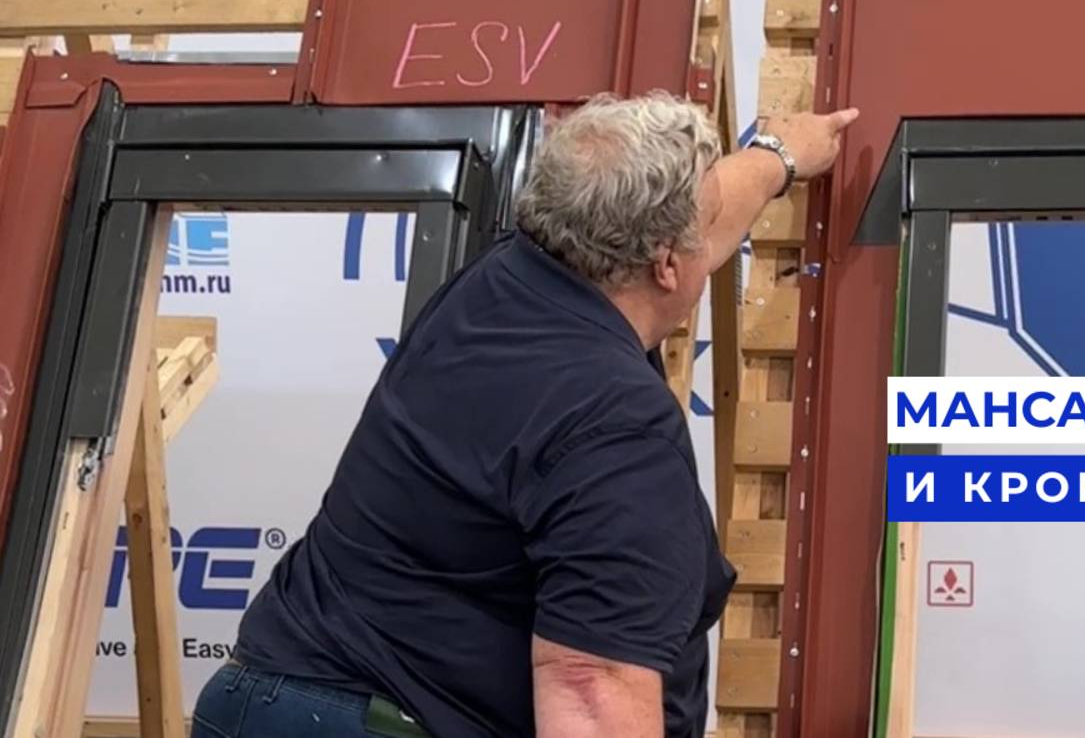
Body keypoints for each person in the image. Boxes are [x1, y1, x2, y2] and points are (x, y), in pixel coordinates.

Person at [189, 93, 858, 738]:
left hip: (265, 696)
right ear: (665, 264)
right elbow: (591, 687)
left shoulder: (505, 278)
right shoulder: (616, 423)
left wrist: (777, 157)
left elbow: (696, 223)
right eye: (699, 227)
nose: (709, 236)